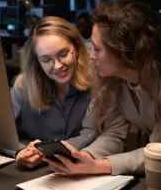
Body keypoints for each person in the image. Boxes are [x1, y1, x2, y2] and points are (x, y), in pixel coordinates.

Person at [44, 0, 161, 175]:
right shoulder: (114, 79)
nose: (91, 56)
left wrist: (97, 167)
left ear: (124, 51)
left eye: (97, 48)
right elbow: (114, 133)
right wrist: (85, 157)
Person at [6, 16, 95, 169]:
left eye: (63, 54)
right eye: (46, 60)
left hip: (77, 168)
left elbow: (89, 135)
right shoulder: (23, 85)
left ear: (77, 48)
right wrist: (20, 151)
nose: (58, 66)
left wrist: (46, 150)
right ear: (37, 62)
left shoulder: (95, 85)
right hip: (30, 172)